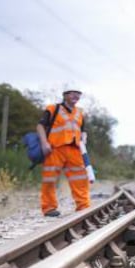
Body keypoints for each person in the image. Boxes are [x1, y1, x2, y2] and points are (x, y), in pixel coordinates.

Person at [37, 87, 90, 217]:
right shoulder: (53, 109)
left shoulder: (80, 113)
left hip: (75, 150)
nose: (76, 96)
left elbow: (82, 129)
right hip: (55, 149)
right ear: (65, 95)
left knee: (80, 179)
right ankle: (49, 208)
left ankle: (83, 206)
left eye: (78, 93)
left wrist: (84, 136)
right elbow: (40, 126)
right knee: (50, 179)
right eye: (73, 93)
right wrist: (44, 143)